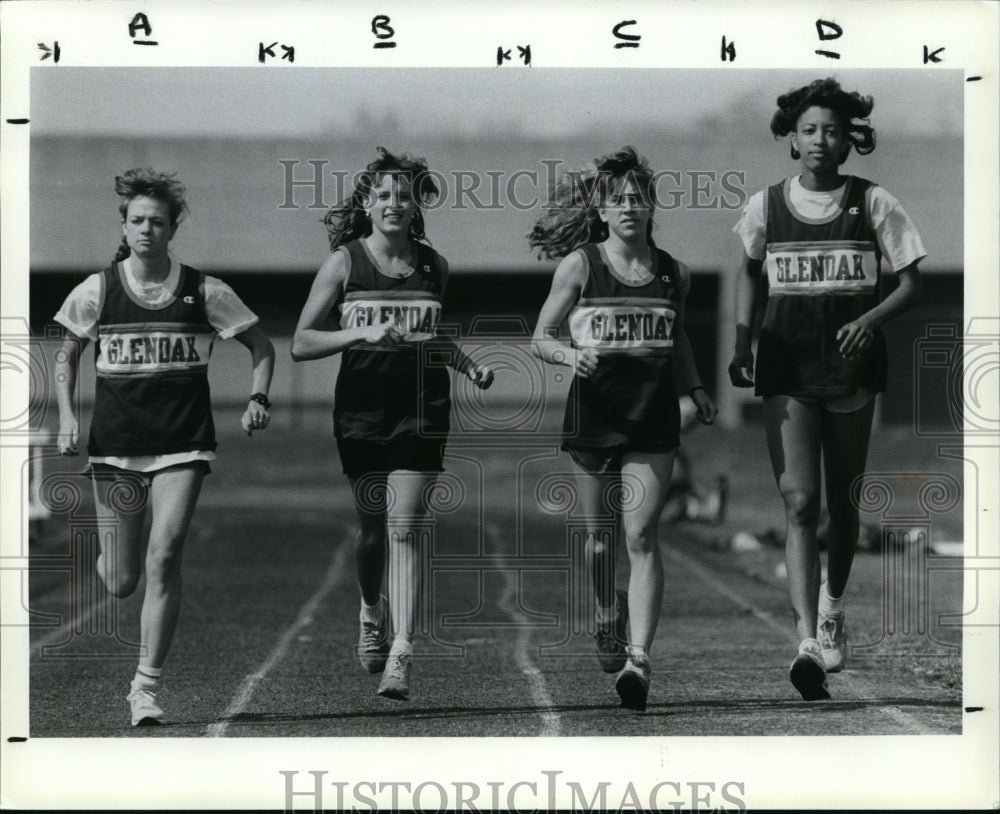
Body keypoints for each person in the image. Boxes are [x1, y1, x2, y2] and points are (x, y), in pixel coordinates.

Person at [54, 168, 275, 726]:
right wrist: (65, 419)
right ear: (124, 228)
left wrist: (258, 399)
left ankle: (145, 688)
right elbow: (66, 356)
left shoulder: (204, 290)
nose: (146, 229)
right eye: (137, 221)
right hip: (115, 446)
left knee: (165, 554)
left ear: (173, 228)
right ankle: (106, 555)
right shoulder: (97, 289)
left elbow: (261, 345)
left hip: (183, 443)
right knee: (123, 580)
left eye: (157, 221)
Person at [728, 78, 925, 700]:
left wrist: (869, 320)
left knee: (843, 505)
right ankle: (807, 638)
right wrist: (740, 344)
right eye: (810, 130)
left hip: (849, 369)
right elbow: (748, 272)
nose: (820, 140)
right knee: (798, 502)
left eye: (833, 131)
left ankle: (834, 606)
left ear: (849, 140)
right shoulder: (766, 206)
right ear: (793, 138)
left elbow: (911, 283)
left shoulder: (873, 203)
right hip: (786, 368)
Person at [291, 147, 492, 702]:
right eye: (383, 195)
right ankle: (370, 608)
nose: (394, 204)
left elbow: (430, 335)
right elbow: (302, 343)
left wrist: (467, 363)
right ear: (367, 202)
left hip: (422, 409)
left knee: (406, 526)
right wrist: (358, 334)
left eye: (404, 194)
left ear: (416, 202)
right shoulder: (344, 263)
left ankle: (402, 651)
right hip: (361, 411)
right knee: (373, 529)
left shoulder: (435, 266)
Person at [529, 146, 717, 711]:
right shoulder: (581, 265)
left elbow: (679, 336)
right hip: (595, 417)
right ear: (603, 211)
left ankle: (638, 659)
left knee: (640, 536)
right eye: (618, 200)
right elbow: (541, 334)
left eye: (638, 198)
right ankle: (606, 609)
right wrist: (568, 357)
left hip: (652, 419)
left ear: (651, 207)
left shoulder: (673, 272)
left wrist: (697, 388)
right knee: (600, 539)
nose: (629, 207)